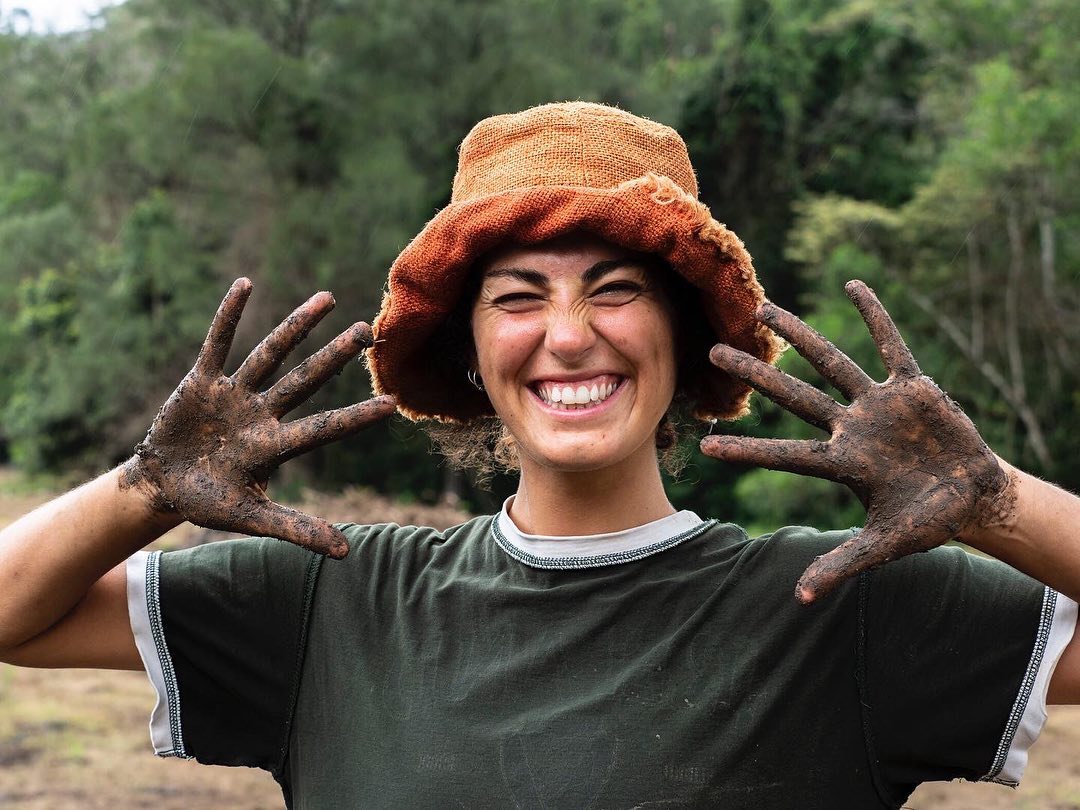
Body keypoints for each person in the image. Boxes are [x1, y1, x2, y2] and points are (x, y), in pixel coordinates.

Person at [1, 101, 1079, 809]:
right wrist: (146, 489)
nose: (569, 335)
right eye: (518, 298)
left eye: (614, 290)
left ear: (681, 335)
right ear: (469, 353)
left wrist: (994, 501)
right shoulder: (332, 599)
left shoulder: (831, 605)